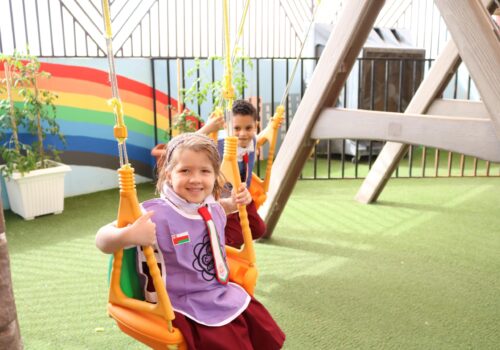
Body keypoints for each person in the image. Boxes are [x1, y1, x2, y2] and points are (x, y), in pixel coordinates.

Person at [96, 133, 285, 350]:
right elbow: (102, 239)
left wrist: (234, 204)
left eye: (205, 171)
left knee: (257, 321)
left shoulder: (211, 205)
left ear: (215, 176)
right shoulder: (154, 214)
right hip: (179, 300)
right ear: (169, 174)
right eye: (185, 170)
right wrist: (129, 236)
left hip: (215, 288)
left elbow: (216, 210)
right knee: (226, 339)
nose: (195, 179)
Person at [199, 100, 267, 249]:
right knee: (233, 240)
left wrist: (273, 125)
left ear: (255, 126)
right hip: (224, 201)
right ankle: (217, 255)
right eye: (236, 128)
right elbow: (185, 145)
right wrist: (208, 128)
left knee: (259, 229)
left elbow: (264, 135)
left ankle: (220, 240)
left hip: (243, 197)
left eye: (248, 128)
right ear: (226, 127)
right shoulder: (218, 143)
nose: (243, 134)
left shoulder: (253, 141)